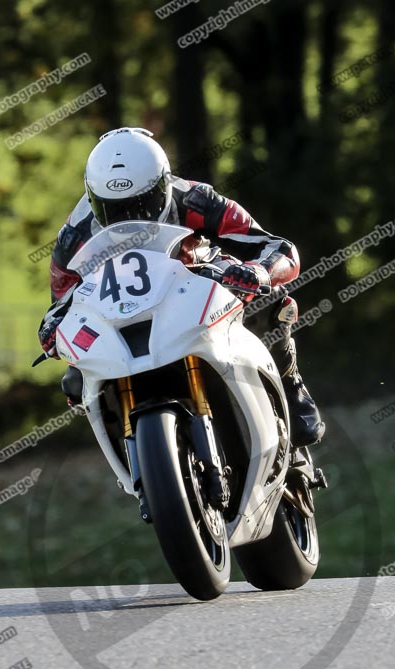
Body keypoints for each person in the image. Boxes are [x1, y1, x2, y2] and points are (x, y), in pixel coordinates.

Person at [38, 127, 324, 447]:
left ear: (163, 185)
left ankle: (290, 385)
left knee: (269, 303)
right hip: (121, 313)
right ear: (93, 197)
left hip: (196, 285)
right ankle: (137, 459)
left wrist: (258, 272)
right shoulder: (74, 233)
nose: (127, 219)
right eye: (112, 209)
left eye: (140, 205)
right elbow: (62, 300)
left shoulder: (195, 199)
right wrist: (52, 325)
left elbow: (279, 249)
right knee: (75, 380)